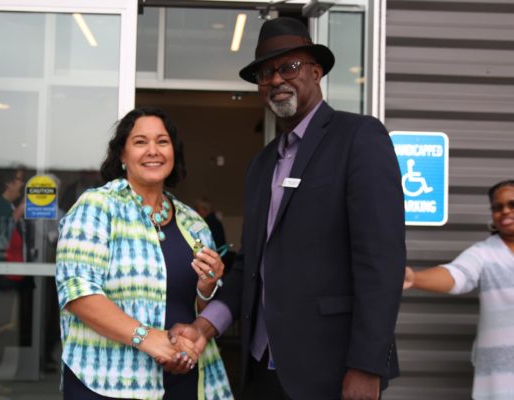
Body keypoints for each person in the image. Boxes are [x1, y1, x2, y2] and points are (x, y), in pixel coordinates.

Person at [170, 17, 405, 400]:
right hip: (262, 367)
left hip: (331, 369)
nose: (276, 80)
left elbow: (381, 263)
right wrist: (203, 326)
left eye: (288, 67)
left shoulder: (359, 138)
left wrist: (366, 366)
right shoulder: (261, 164)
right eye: (266, 73)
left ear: (316, 72)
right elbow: (249, 266)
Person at [55, 107, 233, 400]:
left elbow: (197, 312)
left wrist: (206, 287)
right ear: (122, 156)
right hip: (108, 382)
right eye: (140, 142)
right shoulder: (98, 207)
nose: (153, 151)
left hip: (183, 378)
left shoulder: (193, 222)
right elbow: (78, 293)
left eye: (162, 142)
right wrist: (149, 338)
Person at [404, 180, 514, 400]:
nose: (505, 211)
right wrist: (415, 278)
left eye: (512, 204)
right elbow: (456, 276)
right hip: (498, 381)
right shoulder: (484, 253)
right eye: (497, 207)